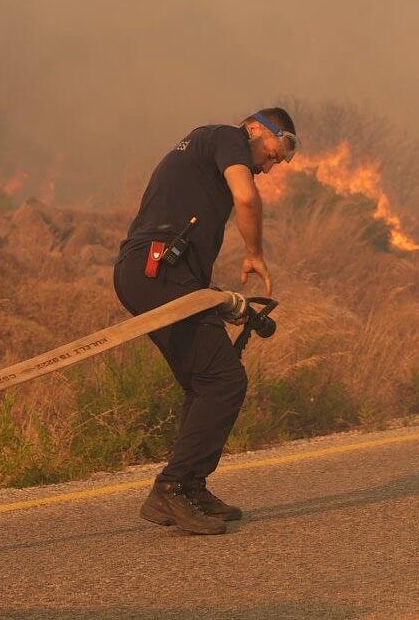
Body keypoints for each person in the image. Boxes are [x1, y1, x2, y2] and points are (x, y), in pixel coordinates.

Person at [113, 108, 298, 532]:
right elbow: (247, 197)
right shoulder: (226, 137)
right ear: (256, 128)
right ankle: (173, 488)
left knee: (204, 382)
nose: (270, 167)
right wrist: (254, 255)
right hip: (157, 270)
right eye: (276, 152)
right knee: (224, 381)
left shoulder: (205, 153)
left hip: (155, 272)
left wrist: (215, 299)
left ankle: (190, 487)